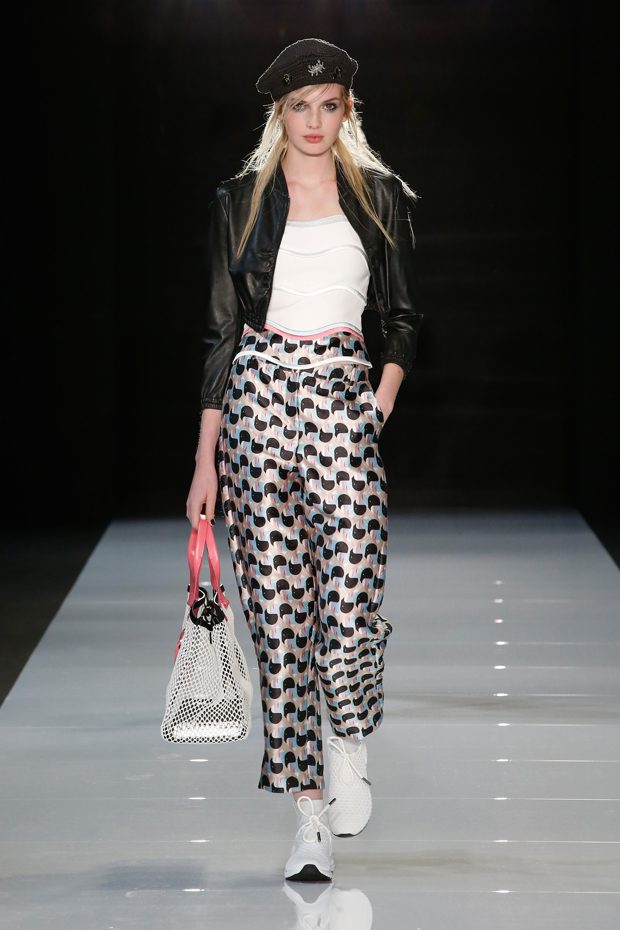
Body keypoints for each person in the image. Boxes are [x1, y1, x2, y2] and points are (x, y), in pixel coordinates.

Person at [186, 37, 423, 883]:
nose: (314, 121)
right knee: (281, 625)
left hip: (342, 404)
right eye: (298, 107)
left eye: (328, 105)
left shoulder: (381, 196)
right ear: (278, 114)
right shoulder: (239, 201)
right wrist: (206, 461)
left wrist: (376, 404)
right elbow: (220, 333)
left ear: (346, 110)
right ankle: (308, 816)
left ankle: (350, 732)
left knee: (350, 608)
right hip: (257, 409)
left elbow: (402, 317)